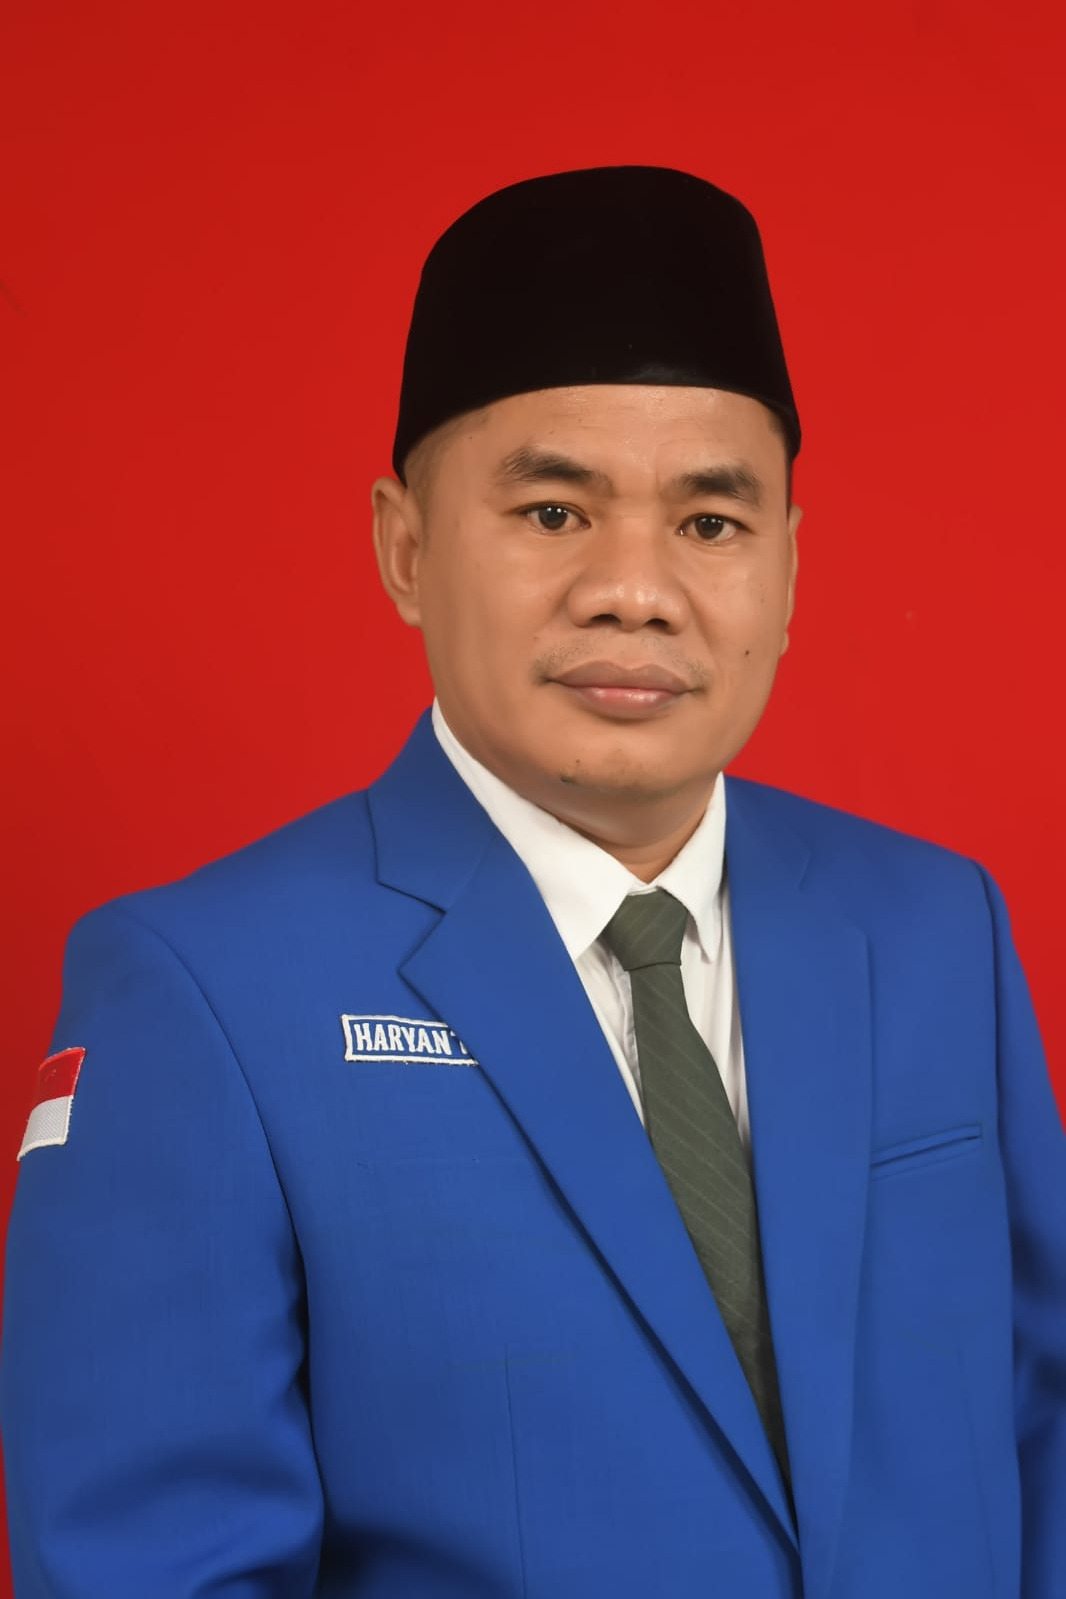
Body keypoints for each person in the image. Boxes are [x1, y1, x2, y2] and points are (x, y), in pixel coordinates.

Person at [1, 165, 1063, 1599]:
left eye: (710, 523)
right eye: (555, 512)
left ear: (790, 567)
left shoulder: (934, 928)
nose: (636, 590)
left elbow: (1042, 1431)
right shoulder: (202, 995)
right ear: (405, 549)